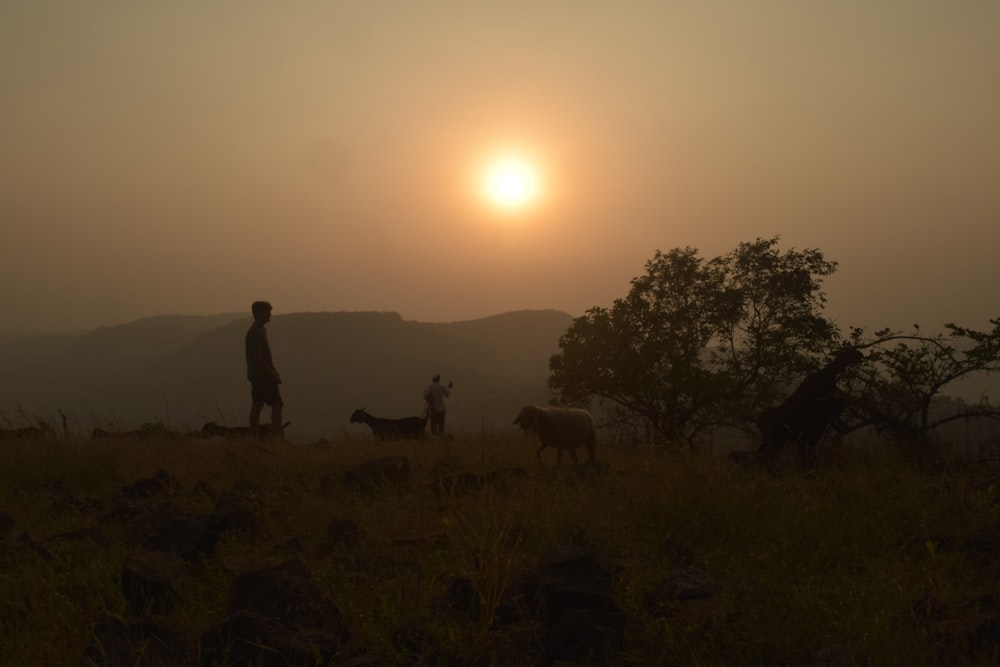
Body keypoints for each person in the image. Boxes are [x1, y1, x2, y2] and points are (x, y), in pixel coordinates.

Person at [245, 301, 283, 438]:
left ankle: (254, 435)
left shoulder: (259, 330)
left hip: (260, 375)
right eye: (267, 312)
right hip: (262, 376)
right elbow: (258, 357)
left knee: (258, 404)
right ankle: (277, 436)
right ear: (259, 314)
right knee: (276, 404)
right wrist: (272, 373)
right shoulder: (255, 333)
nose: (270, 315)